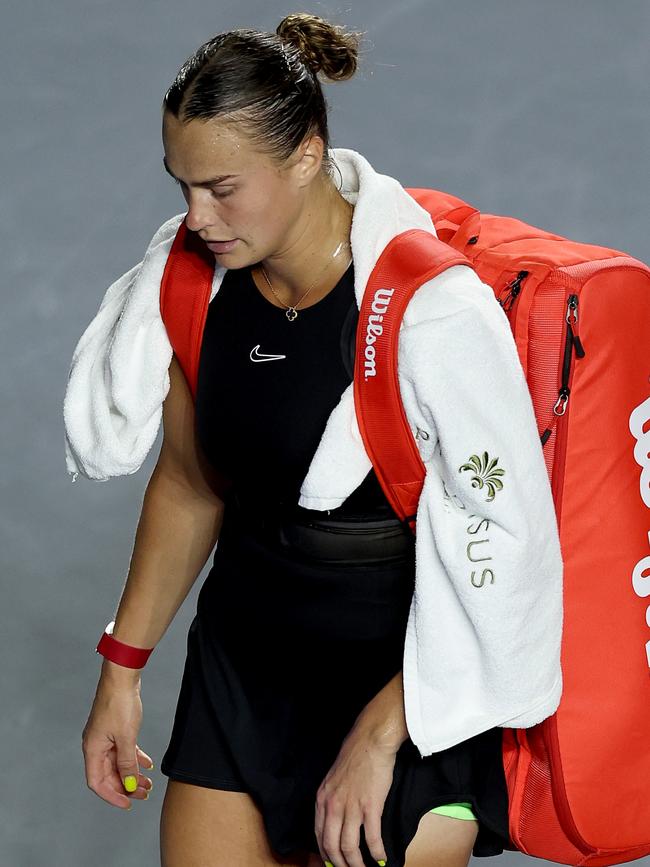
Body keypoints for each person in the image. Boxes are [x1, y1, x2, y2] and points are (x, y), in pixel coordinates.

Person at [77, 12, 564, 867]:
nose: (195, 217)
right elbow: (191, 483)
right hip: (244, 668)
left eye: (222, 187)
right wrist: (121, 670)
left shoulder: (434, 312)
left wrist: (383, 737)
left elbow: (509, 554)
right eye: (180, 185)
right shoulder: (198, 288)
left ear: (306, 153)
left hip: (405, 687)